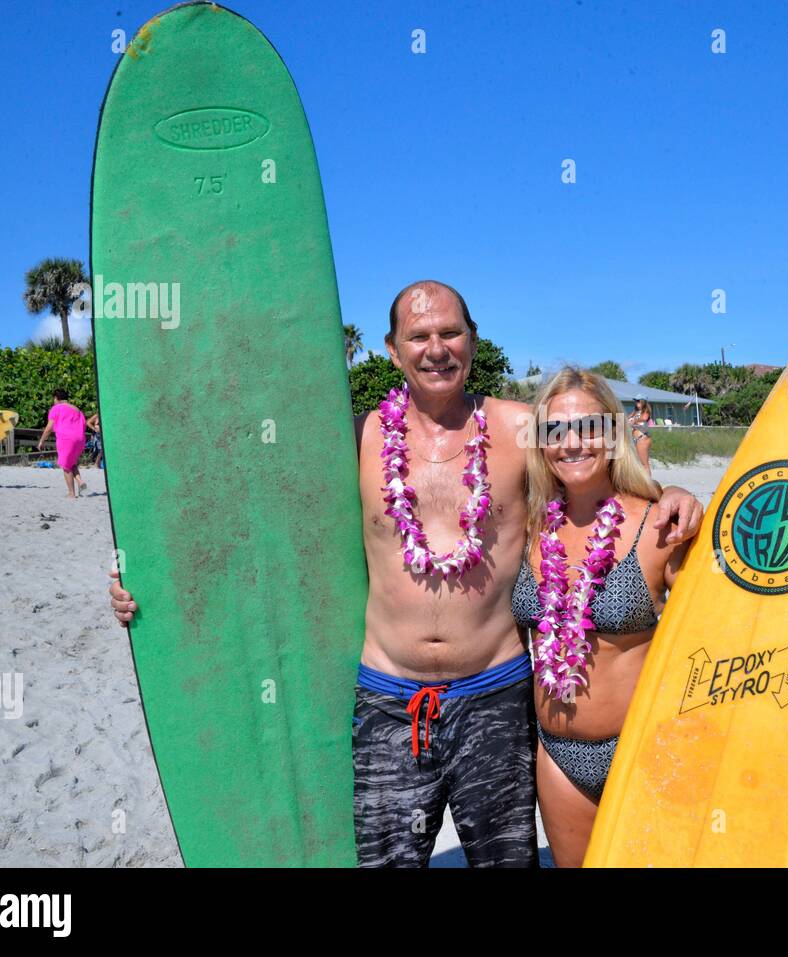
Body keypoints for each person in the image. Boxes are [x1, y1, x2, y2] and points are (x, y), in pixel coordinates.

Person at [110, 280, 710, 868]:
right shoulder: (358, 437)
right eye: (418, 335)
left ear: (473, 342)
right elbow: (252, 511)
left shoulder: (516, 426)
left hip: (495, 696)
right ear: (393, 350)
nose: (436, 347)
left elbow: (598, 448)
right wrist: (151, 574)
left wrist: (676, 494)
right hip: (389, 698)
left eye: (451, 332)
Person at [513, 368, 788, 867]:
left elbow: (745, 615)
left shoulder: (659, 524)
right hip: (556, 756)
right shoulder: (529, 526)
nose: (573, 443)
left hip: (644, 750)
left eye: (590, 427)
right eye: (556, 430)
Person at [38, 389, 88, 498]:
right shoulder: (77, 409)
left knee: (66, 466)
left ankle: (71, 493)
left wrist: (42, 440)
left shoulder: (56, 408)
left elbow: (49, 427)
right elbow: (84, 424)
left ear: (56, 398)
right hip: (80, 439)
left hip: (66, 439)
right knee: (71, 462)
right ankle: (80, 481)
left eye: (54, 399)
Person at [626, 395, 654, 471]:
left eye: (638, 401)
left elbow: (644, 418)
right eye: (635, 401)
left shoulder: (646, 411)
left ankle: (647, 482)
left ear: (643, 401)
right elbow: (626, 419)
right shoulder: (635, 412)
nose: (636, 402)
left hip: (642, 438)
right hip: (636, 439)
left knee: (644, 464)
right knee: (639, 463)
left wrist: (634, 421)